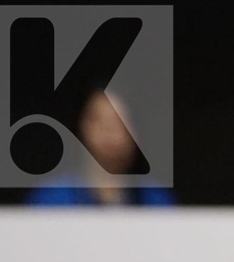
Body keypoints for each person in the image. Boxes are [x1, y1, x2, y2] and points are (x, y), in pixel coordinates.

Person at [27, 88, 177, 206]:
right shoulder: (51, 199)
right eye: (99, 120)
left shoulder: (155, 201)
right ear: (82, 126)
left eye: (119, 122)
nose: (109, 131)